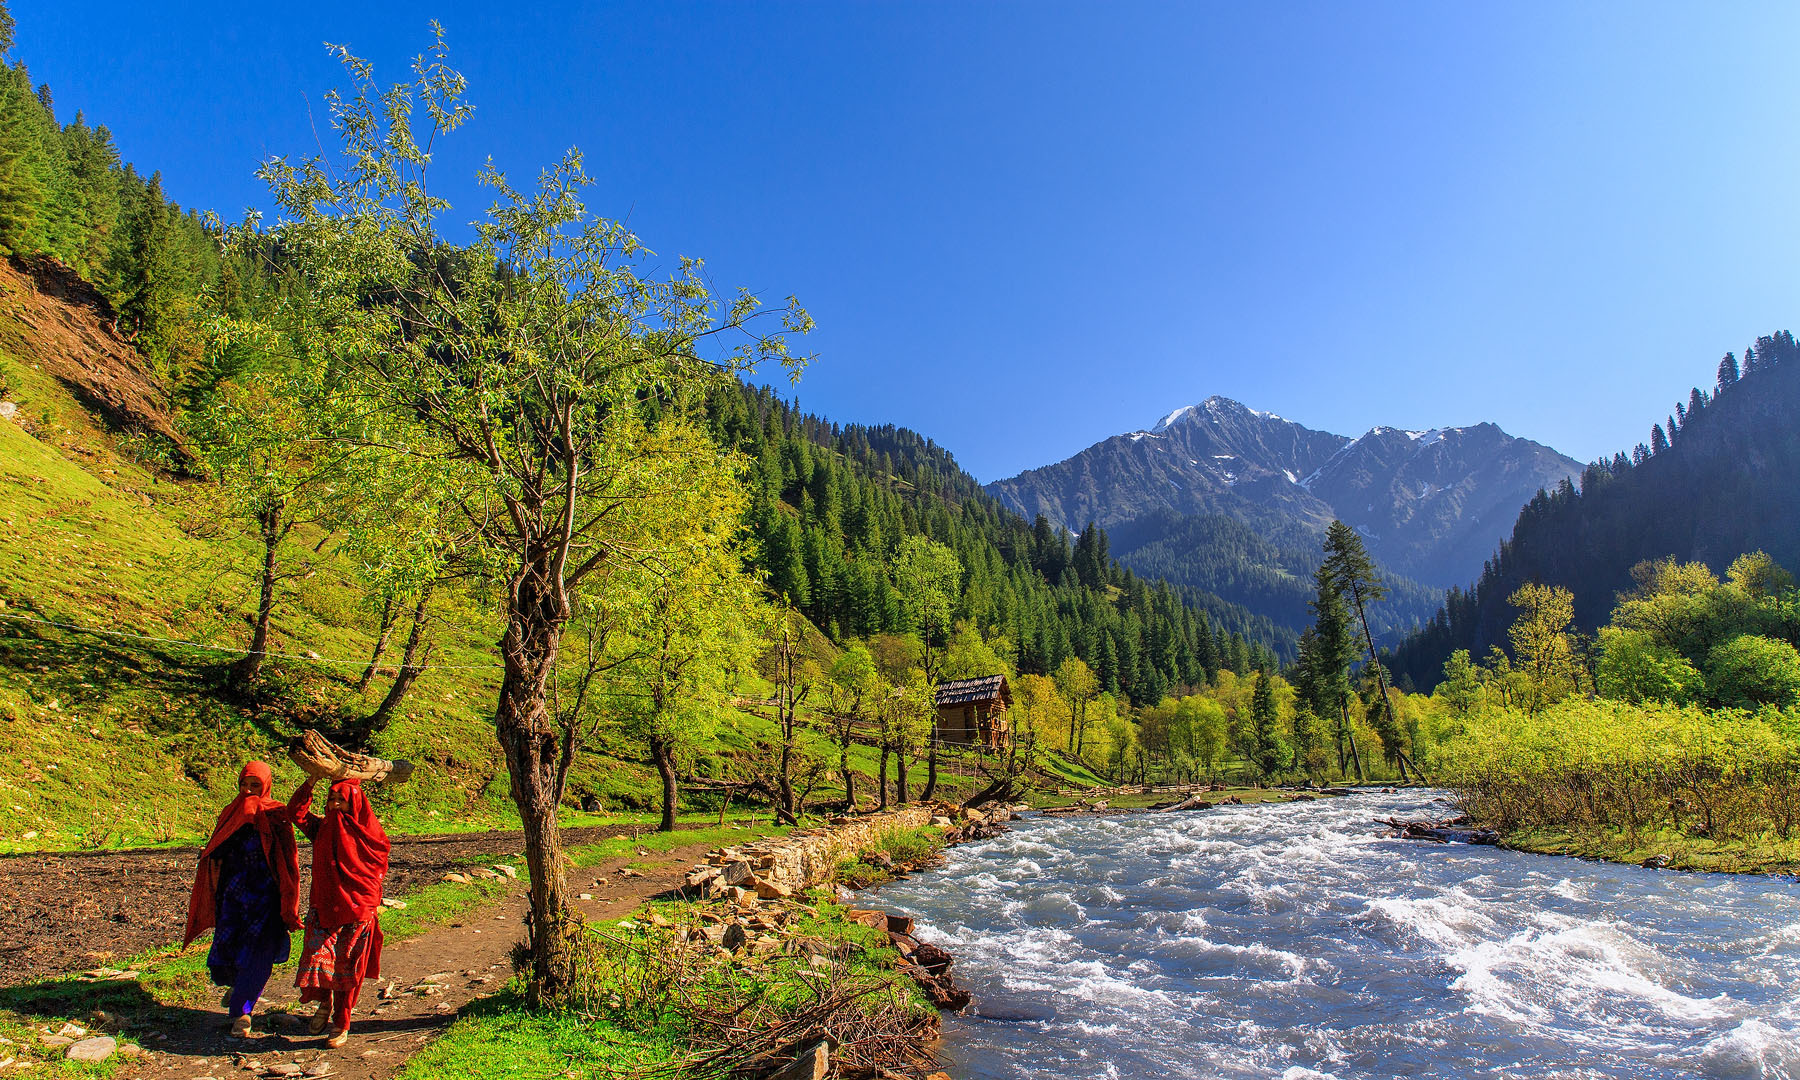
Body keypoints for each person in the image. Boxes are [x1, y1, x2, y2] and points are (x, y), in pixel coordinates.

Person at [184, 761, 302, 1038]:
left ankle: (241, 1013)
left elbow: (288, 859)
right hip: (234, 899)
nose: (248, 790)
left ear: (267, 786)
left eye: (255, 786)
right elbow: (217, 851)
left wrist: (289, 898)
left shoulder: (276, 814)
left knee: (260, 955)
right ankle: (239, 992)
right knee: (232, 953)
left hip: (266, 900)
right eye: (244, 785)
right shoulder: (230, 813)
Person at [289, 776, 391, 1048]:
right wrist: (310, 780)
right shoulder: (321, 828)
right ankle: (324, 1001)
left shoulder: (371, 836)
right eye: (330, 801)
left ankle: (341, 1023)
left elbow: (376, 869)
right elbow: (295, 813)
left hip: (358, 909)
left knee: (348, 967)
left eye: (341, 801)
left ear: (354, 803)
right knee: (317, 959)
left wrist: (368, 904)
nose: (334, 806)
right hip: (323, 906)